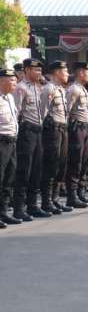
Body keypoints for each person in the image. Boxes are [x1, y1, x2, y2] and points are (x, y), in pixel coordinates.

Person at [13, 58, 49, 220]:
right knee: (24, 170)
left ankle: (33, 205)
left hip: (38, 131)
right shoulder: (20, 88)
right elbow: (16, 112)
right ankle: (19, 208)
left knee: (36, 170)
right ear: (27, 70)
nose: (39, 73)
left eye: (40, 70)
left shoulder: (39, 87)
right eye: (36, 70)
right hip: (26, 132)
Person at [40, 61, 72, 214]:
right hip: (52, 130)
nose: (67, 75)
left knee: (61, 165)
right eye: (65, 72)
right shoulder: (48, 89)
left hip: (63, 128)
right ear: (57, 72)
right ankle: (46, 202)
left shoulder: (61, 89)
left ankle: (55, 199)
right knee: (51, 165)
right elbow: (42, 113)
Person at [65, 62, 88, 208]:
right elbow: (66, 112)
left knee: (85, 161)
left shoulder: (83, 89)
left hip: (85, 128)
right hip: (76, 128)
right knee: (75, 162)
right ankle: (72, 196)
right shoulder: (74, 90)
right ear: (81, 73)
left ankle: (81, 193)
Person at [0, 68, 20, 226]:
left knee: (9, 178)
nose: (15, 82)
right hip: (1, 142)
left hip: (12, 141)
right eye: (11, 80)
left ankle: (4, 212)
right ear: (1, 81)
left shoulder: (10, 98)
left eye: (15, 79)